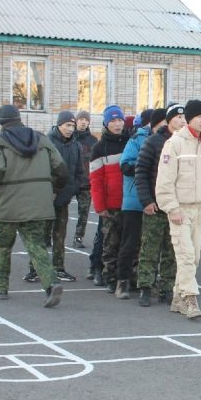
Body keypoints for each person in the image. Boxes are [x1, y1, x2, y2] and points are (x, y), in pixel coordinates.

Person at [0, 104, 68, 307]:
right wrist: (53, 188)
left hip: (8, 202)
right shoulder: (41, 139)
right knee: (36, 245)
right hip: (38, 202)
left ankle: (0, 288)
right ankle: (51, 283)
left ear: (1, 121)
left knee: (3, 246)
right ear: (19, 118)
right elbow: (60, 167)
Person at [155, 99, 201, 319]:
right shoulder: (174, 143)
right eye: (199, 117)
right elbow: (164, 181)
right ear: (188, 119)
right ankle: (190, 299)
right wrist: (172, 208)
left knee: (194, 258)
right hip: (180, 210)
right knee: (185, 256)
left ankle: (177, 297)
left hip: (199, 210)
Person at [24, 110, 84, 284]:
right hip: (45, 198)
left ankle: (59, 268)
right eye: (67, 125)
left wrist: (72, 190)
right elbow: (38, 169)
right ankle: (35, 269)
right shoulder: (46, 143)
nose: (70, 129)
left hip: (63, 198)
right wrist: (47, 191)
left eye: (72, 126)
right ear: (59, 125)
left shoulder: (76, 146)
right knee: (41, 235)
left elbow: (79, 172)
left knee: (60, 236)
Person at [134, 104, 183, 307]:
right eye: (178, 117)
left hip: (176, 206)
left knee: (172, 250)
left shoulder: (186, 144)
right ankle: (145, 287)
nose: (182, 121)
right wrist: (146, 201)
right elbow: (141, 172)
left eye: (185, 118)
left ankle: (167, 288)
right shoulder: (153, 141)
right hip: (155, 206)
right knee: (149, 249)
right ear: (169, 120)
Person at [112, 110, 155, 299]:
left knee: (151, 245)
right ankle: (122, 281)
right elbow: (125, 165)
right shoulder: (137, 140)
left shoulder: (168, 140)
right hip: (134, 200)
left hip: (156, 200)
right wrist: (145, 163)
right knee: (129, 243)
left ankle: (145, 280)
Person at [89, 104, 129, 292]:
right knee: (109, 242)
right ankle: (107, 275)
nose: (117, 124)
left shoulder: (130, 142)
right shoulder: (99, 148)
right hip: (110, 204)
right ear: (106, 123)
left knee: (127, 242)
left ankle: (125, 277)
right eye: (113, 121)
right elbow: (95, 180)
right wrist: (99, 206)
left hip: (129, 202)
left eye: (120, 120)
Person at [72, 110, 97, 249]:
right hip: (70, 181)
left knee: (84, 212)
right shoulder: (70, 138)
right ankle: (50, 235)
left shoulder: (93, 140)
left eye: (86, 120)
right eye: (81, 119)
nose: (83, 122)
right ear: (76, 121)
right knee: (59, 211)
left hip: (86, 182)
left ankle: (78, 237)